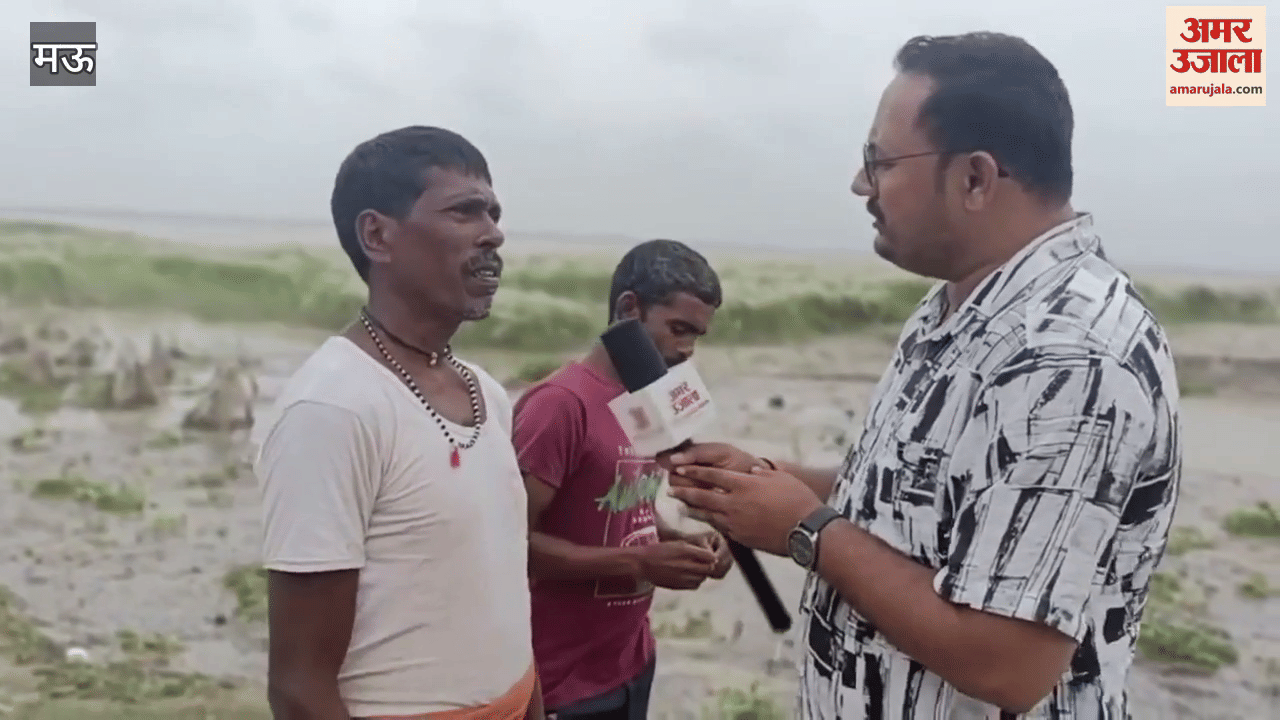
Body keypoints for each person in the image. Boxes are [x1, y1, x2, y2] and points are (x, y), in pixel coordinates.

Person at [665, 32, 1181, 719]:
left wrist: (805, 529)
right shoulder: (957, 306)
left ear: (974, 178)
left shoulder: (1071, 356)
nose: (860, 185)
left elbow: (1007, 662)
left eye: (878, 162)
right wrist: (768, 483)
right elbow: (922, 504)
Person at [253, 126, 544, 720]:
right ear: (378, 235)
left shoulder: (485, 391)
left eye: (493, 212)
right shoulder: (332, 409)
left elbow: (504, 601)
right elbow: (299, 686)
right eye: (465, 212)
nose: (494, 233)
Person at [512, 239, 735, 720]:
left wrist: (684, 543)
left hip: (632, 664)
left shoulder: (649, 401)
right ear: (628, 308)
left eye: (697, 335)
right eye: (678, 329)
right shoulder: (559, 405)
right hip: (560, 683)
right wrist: (639, 562)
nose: (687, 349)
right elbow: (508, 546)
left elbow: (624, 504)